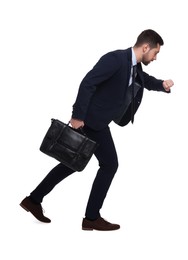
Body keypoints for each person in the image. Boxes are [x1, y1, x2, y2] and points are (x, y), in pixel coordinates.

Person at [20, 29, 174, 231]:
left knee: (71, 163)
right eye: (155, 53)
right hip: (90, 122)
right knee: (109, 164)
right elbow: (88, 82)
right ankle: (91, 217)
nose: (155, 58)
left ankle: (34, 199)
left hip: (98, 122)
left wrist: (162, 85)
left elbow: (144, 80)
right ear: (146, 47)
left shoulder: (133, 66)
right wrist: (78, 116)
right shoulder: (116, 59)